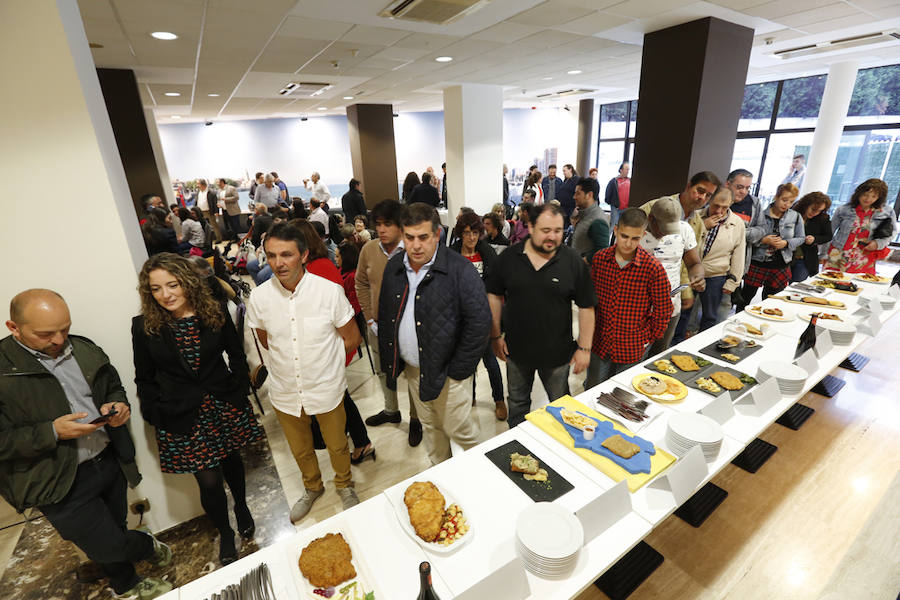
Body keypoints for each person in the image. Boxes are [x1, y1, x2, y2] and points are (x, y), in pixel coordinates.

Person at [2, 289, 173, 600]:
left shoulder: (83, 348)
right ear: (14, 327)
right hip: (57, 480)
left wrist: (118, 406)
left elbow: (112, 387)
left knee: (115, 530)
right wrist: (51, 432)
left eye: (64, 328)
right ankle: (147, 545)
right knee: (108, 544)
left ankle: (126, 585)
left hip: (107, 459)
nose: (59, 339)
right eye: (45, 333)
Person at [131, 254, 259, 565]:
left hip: (222, 402)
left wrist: (241, 388)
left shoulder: (213, 311)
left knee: (231, 461)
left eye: (172, 285)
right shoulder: (144, 326)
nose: (166, 294)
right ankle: (225, 531)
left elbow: (236, 353)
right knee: (209, 481)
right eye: (156, 288)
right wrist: (154, 412)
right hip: (182, 413)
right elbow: (144, 377)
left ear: (187, 282)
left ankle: (241, 505)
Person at [247, 222, 362, 522]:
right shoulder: (259, 298)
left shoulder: (329, 292)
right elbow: (265, 339)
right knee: (300, 449)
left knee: (337, 444)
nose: (277, 263)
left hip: (326, 386)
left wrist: (331, 367)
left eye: (286, 255)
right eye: (271, 255)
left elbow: (352, 337)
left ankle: (345, 484)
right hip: (285, 390)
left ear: (303, 255)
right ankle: (312, 487)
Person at [378, 203, 491, 464]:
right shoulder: (395, 266)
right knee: (432, 431)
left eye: (423, 237)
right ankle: (441, 482)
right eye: (409, 237)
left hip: (449, 373)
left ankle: (484, 478)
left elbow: (479, 321)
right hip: (415, 371)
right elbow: (387, 314)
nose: (416, 245)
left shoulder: (459, 269)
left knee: (460, 431)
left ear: (437, 235)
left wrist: (459, 370)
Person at [487, 203, 597, 428]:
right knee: (517, 405)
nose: (552, 237)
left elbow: (586, 307)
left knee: (563, 407)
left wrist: (585, 349)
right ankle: (518, 448)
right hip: (516, 352)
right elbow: (494, 296)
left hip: (557, 355)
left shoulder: (572, 261)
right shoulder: (508, 258)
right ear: (530, 226)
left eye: (558, 231)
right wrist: (495, 336)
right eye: (546, 231)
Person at [357, 200, 423, 446]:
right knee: (384, 372)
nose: (381, 229)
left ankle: (416, 420)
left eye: (388, 224)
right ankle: (390, 410)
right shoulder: (369, 249)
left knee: (413, 374)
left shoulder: (413, 251)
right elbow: (361, 282)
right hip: (377, 325)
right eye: (379, 224)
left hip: (407, 328)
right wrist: (369, 316)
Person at [586, 209, 672, 387]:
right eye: (624, 236)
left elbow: (663, 308)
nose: (628, 243)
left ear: (643, 235)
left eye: (635, 238)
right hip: (600, 341)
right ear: (616, 230)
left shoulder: (652, 268)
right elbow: (591, 299)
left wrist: (648, 337)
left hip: (631, 344)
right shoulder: (600, 259)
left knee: (624, 393)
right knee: (593, 389)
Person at [449, 212, 506, 420]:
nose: (471, 238)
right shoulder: (451, 255)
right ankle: (470, 396)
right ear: (460, 234)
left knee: (490, 361)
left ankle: (499, 399)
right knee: (467, 362)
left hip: (484, 317)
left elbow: (496, 286)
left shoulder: (487, 253)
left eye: (474, 233)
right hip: (461, 320)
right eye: (466, 233)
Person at [640, 197, 706, 356]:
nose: (665, 233)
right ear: (651, 218)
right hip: (640, 311)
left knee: (657, 356)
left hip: (670, 307)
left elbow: (694, 264)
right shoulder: (636, 234)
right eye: (662, 228)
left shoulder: (684, 229)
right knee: (633, 359)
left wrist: (698, 276)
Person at [735, 183, 804, 309]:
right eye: (784, 200)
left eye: (791, 202)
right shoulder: (761, 213)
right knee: (745, 298)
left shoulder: (795, 216)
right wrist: (763, 240)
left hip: (781, 264)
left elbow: (801, 238)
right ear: (776, 196)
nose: (787, 205)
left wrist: (786, 243)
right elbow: (749, 235)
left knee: (771, 302)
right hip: (758, 262)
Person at [695, 187, 745, 331]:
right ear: (709, 200)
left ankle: (702, 345)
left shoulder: (737, 223)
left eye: (725, 207)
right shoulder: (697, 216)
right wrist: (703, 227)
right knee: (684, 315)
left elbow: (739, 254)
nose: (719, 211)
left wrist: (733, 282)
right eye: (716, 205)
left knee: (710, 316)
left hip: (716, 275)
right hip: (691, 272)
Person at [826, 179, 895, 274]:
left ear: (879, 198)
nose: (868, 199)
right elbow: (829, 232)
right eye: (865, 195)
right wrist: (822, 254)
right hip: (838, 252)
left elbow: (892, 232)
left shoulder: (886, 212)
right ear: (859, 193)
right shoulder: (843, 209)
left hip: (865, 256)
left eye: (873, 196)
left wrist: (878, 243)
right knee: (830, 280)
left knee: (859, 284)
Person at [790, 192, 832, 282]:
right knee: (779, 288)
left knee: (796, 286)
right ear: (806, 204)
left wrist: (815, 239)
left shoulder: (823, 218)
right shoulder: (792, 212)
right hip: (787, 256)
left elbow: (828, 236)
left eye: (819, 211)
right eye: (813, 209)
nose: (815, 213)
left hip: (805, 258)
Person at [571, 176, 610, 262]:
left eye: (578, 193)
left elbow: (603, 251)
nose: (574, 197)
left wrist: (584, 260)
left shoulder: (598, 220)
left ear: (589, 195)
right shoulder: (583, 213)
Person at [605, 162, 631, 230]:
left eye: (628, 169)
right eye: (626, 169)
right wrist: (612, 203)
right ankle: (609, 240)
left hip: (627, 208)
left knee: (624, 226)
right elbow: (608, 193)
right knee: (614, 226)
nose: (627, 171)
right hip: (616, 208)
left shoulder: (630, 181)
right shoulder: (614, 181)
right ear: (621, 170)